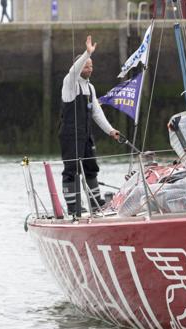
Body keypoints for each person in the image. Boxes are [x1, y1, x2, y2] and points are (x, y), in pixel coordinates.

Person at [60, 35, 120, 216]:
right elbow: (73, 70)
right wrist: (87, 53)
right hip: (70, 134)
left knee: (91, 168)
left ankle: (96, 204)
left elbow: (96, 113)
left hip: (85, 134)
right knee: (71, 170)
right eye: (86, 65)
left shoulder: (90, 88)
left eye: (91, 65)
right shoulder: (70, 83)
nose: (89, 68)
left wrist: (110, 130)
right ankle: (74, 207)